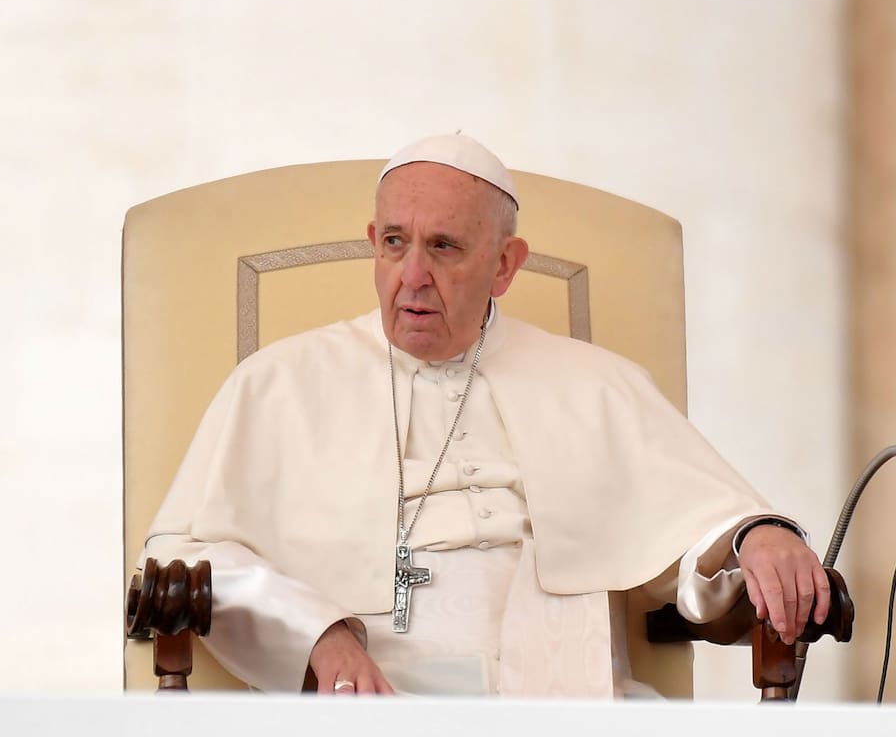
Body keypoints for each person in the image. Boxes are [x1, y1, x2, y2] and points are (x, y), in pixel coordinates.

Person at [140, 134, 829, 697]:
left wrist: (756, 535)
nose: (411, 275)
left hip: (566, 697)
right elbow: (183, 559)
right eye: (392, 243)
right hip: (366, 707)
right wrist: (319, 633)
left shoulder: (597, 385)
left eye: (443, 247)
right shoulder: (278, 384)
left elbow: (691, 526)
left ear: (505, 266)